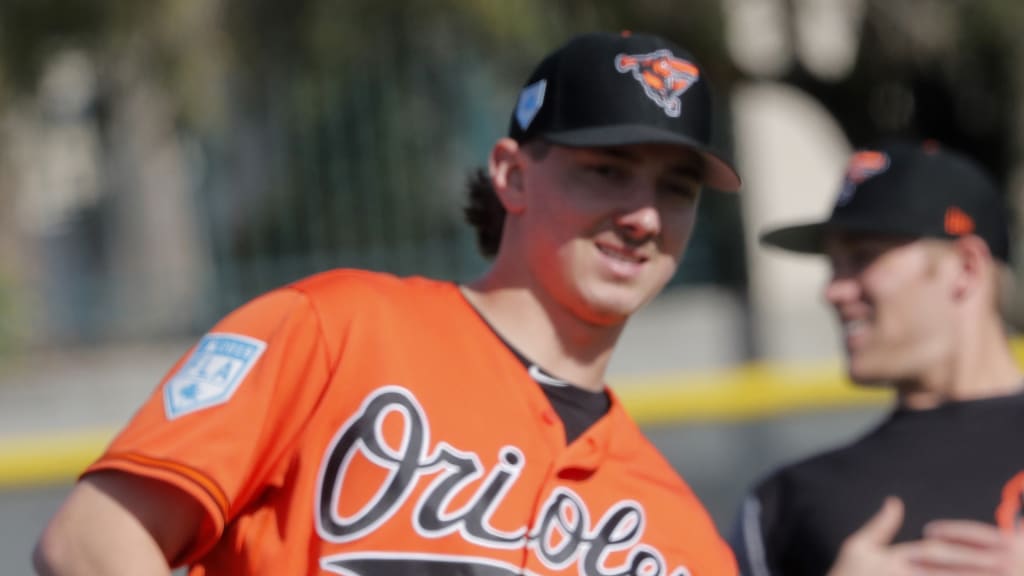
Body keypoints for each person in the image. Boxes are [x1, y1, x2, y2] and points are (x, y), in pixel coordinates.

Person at [34, 31, 743, 575]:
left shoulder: (680, 538)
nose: (643, 216)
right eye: (607, 171)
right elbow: (93, 543)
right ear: (512, 175)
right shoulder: (336, 331)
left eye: (675, 188)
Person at [729, 141, 1024, 576]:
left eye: (862, 258)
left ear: (965, 268)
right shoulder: (791, 501)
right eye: (833, 265)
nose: (833, 291)